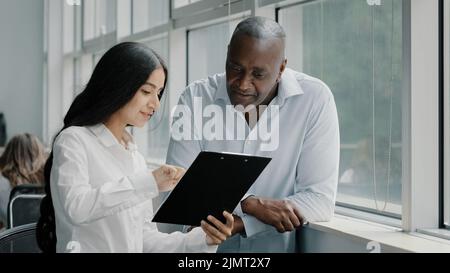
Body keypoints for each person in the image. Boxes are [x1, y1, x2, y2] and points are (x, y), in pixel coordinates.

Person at [36, 42, 234, 253]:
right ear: (118, 86)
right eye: (147, 91)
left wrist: (204, 239)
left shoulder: (134, 155)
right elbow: (77, 208)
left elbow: (145, 240)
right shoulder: (74, 140)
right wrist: (150, 182)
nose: (156, 104)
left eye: (158, 93)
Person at [166, 17, 340, 252]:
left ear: (280, 69)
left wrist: (243, 223)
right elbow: (179, 184)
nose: (243, 84)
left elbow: (319, 201)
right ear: (228, 54)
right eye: (235, 68)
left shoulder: (314, 99)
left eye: (258, 74)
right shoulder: (194, 98)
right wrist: (251, 204)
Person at [0, 133, 47, 228]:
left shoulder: (2, 183)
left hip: (13, 239)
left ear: (8, 155)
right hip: (45, 239)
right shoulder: (49, 182)